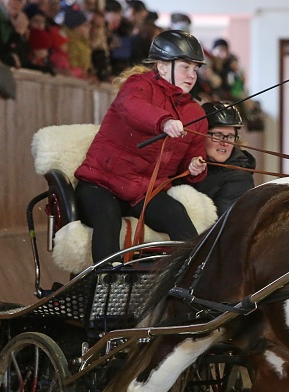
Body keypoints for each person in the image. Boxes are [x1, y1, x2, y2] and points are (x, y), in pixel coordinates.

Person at [74, 29, 208, 264]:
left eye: (195, 69)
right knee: (107, 218)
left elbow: (193, 156)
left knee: (178, 217)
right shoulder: (137, 85)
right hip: (101, 183)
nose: (192, 75)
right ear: (163, 66)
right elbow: (133, 107)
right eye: (186, 67)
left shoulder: (196, 113)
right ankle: (107, 285)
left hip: (144, 191)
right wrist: (164, 122)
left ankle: (189, 284)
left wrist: (195, 167)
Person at [193, 101, 257, 217]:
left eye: (230, 136)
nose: (225, 143)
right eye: (217, 135)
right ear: (201, 135)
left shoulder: (240, 178)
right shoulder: (188, 164)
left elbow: (221, 224)